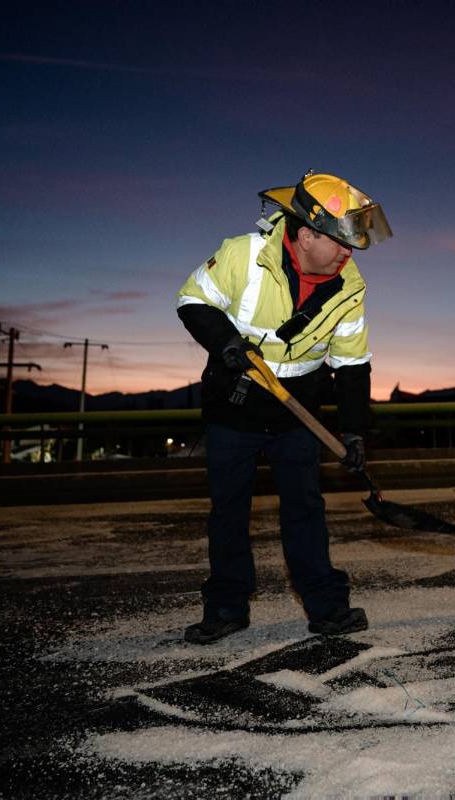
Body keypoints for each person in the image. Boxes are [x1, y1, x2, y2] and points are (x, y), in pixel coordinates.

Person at [175, 171, 391, 644]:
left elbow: (352, 364)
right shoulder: (242, 255)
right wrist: (225, 342)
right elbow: (193, 299)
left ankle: (328, 608)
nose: (348, 252)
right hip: (235, 403)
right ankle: (226, 608)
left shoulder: (349, 285)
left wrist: (354, 431)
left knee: (305, 509)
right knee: (229, 510)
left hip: (298, 410)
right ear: (307, 234)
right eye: (339, 241)